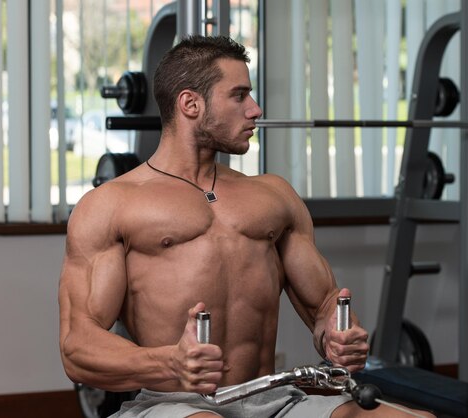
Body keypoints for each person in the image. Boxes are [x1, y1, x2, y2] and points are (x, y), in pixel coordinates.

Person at [58, 35, 434, 418]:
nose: (255, 109)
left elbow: (322, 305)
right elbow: (78, 346)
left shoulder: (273, 196)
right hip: (175, 405)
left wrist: (337, 338)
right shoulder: (111, 205)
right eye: (239, 96)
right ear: (190, 104)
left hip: (273, 399)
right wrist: (169, 363)